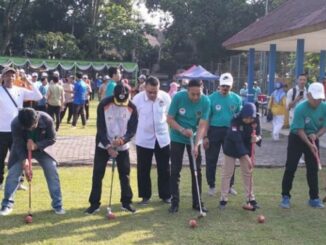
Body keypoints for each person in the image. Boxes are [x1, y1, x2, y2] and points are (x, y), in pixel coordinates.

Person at [0, 108, 65, 215]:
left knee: (52, 170)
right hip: (21, 150)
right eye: (26, 128)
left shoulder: (47, 119)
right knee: (13, 174)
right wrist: (24, 161)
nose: (29, 130)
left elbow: (52, 138)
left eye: (32, 127)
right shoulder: (16, 123)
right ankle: (6, 205)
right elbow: (17, 143)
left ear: (36, 120)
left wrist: (36, 145)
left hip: (42, 149)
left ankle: (58, 205)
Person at [85, 83, 138, 214]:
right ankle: (94, 204)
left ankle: (126, 202)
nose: (121, 104)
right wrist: (108, 146)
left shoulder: (132, 107)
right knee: (98, 174)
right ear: (114, 96)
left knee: (125, 174)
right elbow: (100, 127)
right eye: (118, 101)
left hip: (122, 144)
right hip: (104, 144)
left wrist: (122, 140)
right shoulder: (103, 104)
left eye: (123, 101)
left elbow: (132, 130)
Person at [280, 83, 326, 209]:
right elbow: (299, 130)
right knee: (291, 166)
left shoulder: (324, 107)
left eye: (320, 98)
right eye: (315, 98)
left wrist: (316, 136)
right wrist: (309, 144)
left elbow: (324, 127)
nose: (317, 101)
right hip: (297, 137)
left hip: (312, 137)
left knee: (313, 169)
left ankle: (314, 198)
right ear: (309, 95)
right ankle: (285, 196)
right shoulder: (301, 108)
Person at [167, 79, 210, 213]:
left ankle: (197, 202)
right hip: (177, 137)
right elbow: (169, 119)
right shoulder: (178, 97)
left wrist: (196, 145)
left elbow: (203, 125)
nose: (196, 97)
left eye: (199, 94)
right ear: (187, 91)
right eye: (193, 94)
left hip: (194, 137)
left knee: (196, 170)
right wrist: (182, 130)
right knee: (175, 170)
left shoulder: (206, 101)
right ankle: (175, 202)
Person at [0, 67, 42, 191]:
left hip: (17, 130)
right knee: (0, 158)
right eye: (7, 75)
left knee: (19, 157)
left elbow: (38, 96)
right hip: (2, 130)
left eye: (13, 75)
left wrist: (28, 82)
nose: (10, 77)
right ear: (3, 77)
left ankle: (19, 181)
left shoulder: (20, 90)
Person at [132, 76, 171, 205]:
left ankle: (166, 195)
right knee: (143, 169)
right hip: (143, 139)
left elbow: (170, 116)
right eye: (150, 92)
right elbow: (132, 119)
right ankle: (145, 196)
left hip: (162, 138)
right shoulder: (137, 99)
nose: (153, 94)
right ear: (144, 88)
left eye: (155, 91)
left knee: (164, 168)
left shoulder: (165, 97)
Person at [204, 73, 242, 196]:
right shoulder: (211, 98)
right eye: (223, 85)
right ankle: (211, 185)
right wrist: (205, 136)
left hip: (230, 132)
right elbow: (206, 119)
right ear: (219, 85)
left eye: (228, 86)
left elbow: (239, 117)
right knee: (211, 159)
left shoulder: (237, 99)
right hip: (214, 131)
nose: (225, 88)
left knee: (230, 159)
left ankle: (230, 185)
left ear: (232, 86)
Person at [219, 103, 262, 209]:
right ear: (242, 115)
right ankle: (223, 199)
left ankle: (250, 198)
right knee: (227, 173)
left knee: (248, 173)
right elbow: (237, 141)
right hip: (232, 147)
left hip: (246, 147)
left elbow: (259, 134)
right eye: (246, 118)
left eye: (251, 118)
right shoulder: (235, 120)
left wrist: (257, 138)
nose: (248, 120)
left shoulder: (256, 119)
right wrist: (247, 157)